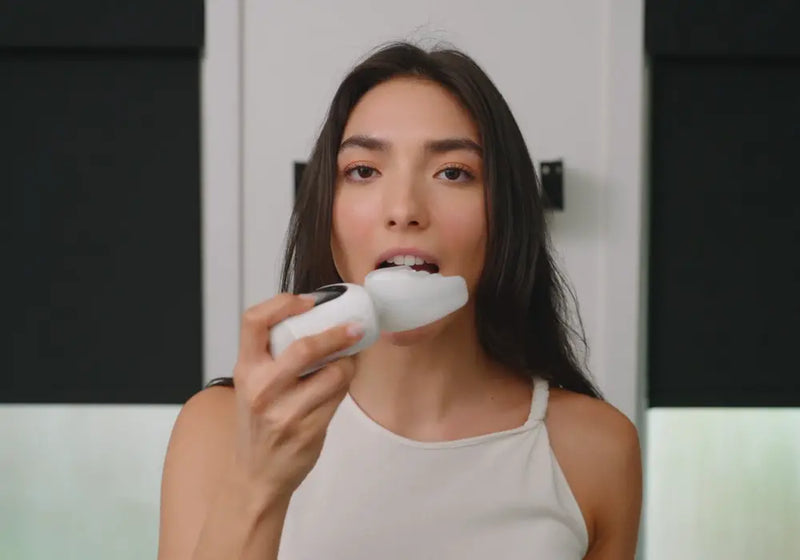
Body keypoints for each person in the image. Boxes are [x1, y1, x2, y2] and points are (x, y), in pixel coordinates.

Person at [158, 42, 642, 560]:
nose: (404, 209)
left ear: (504, 216)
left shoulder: (596, 451)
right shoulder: (219, 429)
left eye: (453, 172)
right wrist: (258, 484)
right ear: (328, 217)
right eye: (363, 171)